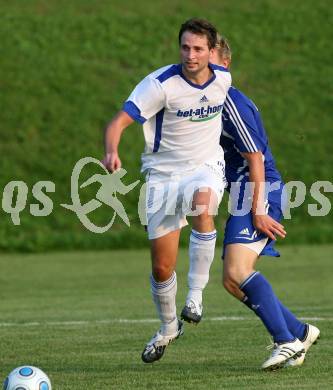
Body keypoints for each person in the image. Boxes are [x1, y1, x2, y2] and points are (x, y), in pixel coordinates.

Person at [103, 18, 231, 363]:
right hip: (162, 176)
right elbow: (118, 122)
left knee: (203, 205)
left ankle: (195, 296)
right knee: (162, 268)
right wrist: (112, 151)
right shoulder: (160, 85)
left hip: (205, 167)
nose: (191, 54)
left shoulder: (223, 80)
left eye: (198, 48)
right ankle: (169, 326)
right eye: (185, 47)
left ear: (211, 52)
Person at [208, 36, 320, 370]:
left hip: (259, 190)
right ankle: (299, 331)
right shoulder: (206, 104)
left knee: (238, 271)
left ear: (225, 66)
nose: (199, 65)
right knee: (231, 280)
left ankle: (287, 342)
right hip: (243, 193)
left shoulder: (228, 100)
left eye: (209, 59)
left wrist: (258, 209)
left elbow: (255, 158)